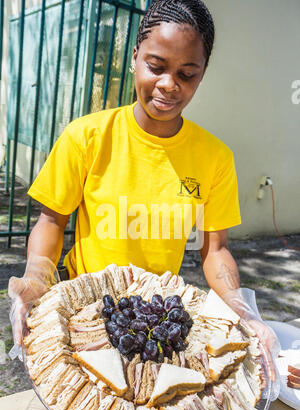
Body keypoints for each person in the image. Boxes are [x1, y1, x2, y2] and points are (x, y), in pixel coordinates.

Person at [8, 0, 279, 386]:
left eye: (188, 73)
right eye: (157, 67)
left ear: (202, 75)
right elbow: (51, 222)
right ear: (135, 58)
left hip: (153, 318)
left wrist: (245, 312)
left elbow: (215, 250)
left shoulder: (214, 157)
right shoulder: (86, 138)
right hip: (83, 312)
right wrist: (36, 278)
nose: (170, 85)